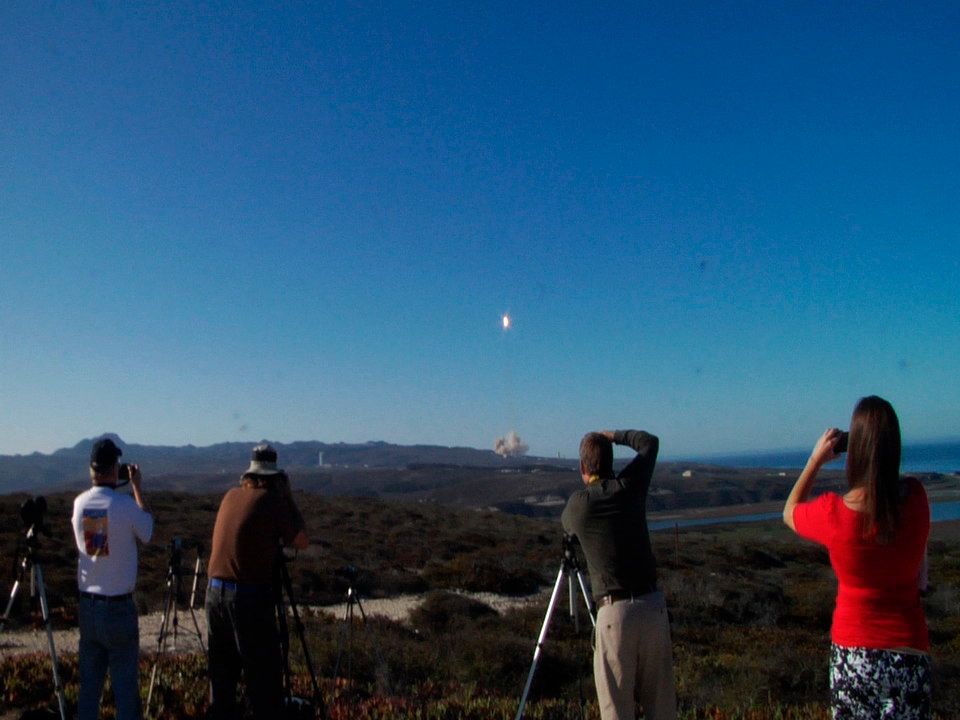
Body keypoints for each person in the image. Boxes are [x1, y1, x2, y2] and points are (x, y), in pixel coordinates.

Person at [783, 396, 931, 719]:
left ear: (856, 448)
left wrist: (814, 461)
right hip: (909, 651)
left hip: (854, 655)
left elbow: (789, 511)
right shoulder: (917, 499)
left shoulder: (835, 514)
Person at [561, 429, 676, 720]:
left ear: (582, 468)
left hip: (615, 614)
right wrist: (611, 435)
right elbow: (650, 443)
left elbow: (566, 528)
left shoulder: (579, 505)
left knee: (617, 711)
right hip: (653, 607)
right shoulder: (631, 487)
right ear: (610, 462)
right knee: (661, 708)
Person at [205, 443, 308, 720]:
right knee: (264, 682)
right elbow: (301, 540)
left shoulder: (230, 495)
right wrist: (287, 497)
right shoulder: (272, 500)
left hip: (214, 594)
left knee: (222, 681)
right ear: (274, 476)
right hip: (248, 598)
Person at [71, 437, 153, 720]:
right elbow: (147, 531)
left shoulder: (80, 504)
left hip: (89, 606)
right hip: (118, 608)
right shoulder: (125, 505)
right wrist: (137, 488)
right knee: (125, 690)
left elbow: (97, 544)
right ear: (113, 468)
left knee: (89, 689)